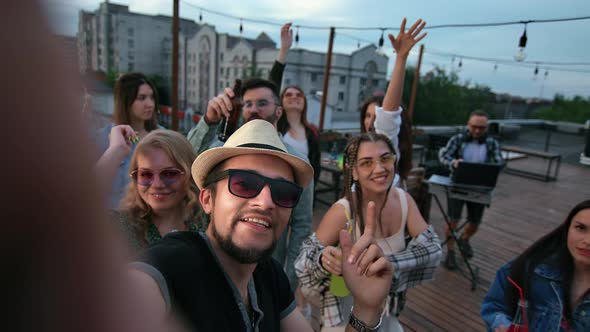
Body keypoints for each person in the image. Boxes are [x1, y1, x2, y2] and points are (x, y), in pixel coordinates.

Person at [128, 120, 394, 331]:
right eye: (244, 183)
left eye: (283, 192)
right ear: (208, 199)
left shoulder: (269, 275)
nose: (266, 202)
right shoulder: (172, 264)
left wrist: (366, 310)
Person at [295, 132, 442, 331]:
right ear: (353, 172)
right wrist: (324, 259)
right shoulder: (343, 210)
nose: (379, 169)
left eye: (385, 158)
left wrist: (387, 266)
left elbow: (433, 247)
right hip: (343, 317)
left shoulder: (404, 199)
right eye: (366, 163)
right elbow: (304, 260)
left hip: (388, 314)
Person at [187, 77, 314, 291]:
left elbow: (302, 225)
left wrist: (286, 283)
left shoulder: (297, 161)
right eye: (243, 184)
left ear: (279, 111)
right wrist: (208, 121)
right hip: (213, 272)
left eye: (262, 103)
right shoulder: (223, 148)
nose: (254, 109)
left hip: (267, 274)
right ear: (207, 198)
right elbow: (186, 163)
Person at [481, 200, 590, 331]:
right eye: (581, 228)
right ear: (567, 229)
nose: (588, 241)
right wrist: (504, 325)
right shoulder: (529, 268)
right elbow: (494, 306)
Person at [110, 129, 201, 254]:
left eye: (169, 174)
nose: (157, 185)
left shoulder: (207, 223)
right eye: (146, 174)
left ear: (189, 175)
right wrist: (115, 151)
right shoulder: (122, 227)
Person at [359, 18, 426, 187]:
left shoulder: (386, 144)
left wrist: (401, 59)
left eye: (377, 116)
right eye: (367, 115)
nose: (372, 121)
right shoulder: (361, 144)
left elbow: (388, 116)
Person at [438, 110, 503, 269]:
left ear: (486, 127)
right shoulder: (458, 139)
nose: (477, 131)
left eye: (481, 128)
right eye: (474, 127)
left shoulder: (492, 143)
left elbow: (500, 162)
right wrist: (453, 163)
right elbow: (443, 156)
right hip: (458, 186)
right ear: (468, 124)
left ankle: (464, 238)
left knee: (475, 222)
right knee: (453, 219)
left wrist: (492, 168)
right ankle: (451, 252)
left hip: (480, 188)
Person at [95, 72, 161, 208]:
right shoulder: (102, 138)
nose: (150, 104)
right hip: (114, 219)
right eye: (142, 98)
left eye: (152, 97)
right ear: (126, 101)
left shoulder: (162, 136)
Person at [278, 85, 321, 185]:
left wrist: (310, 187)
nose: (294, 97)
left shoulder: (312, 132)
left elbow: (316, 165)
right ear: (281, 102)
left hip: (303, 188)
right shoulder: (275, 127)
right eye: (288, 95)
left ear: (304, 103)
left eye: (299, 95)